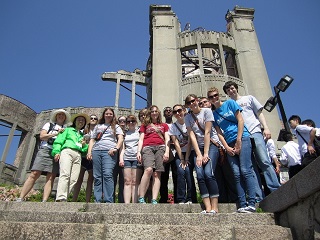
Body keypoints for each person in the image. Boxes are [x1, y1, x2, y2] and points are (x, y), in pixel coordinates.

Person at [223, 81, 280, 198]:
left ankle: (276, 189)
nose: (231, 91)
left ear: (236, 88)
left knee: (264, 161)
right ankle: (258, 195)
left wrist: (266, 128)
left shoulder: (248, 98)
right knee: (250, 167)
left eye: (232, 88)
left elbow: (259, 113)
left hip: (254, 131)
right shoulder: (228, 105)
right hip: (242, 136)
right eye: (228, 90)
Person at [209, 87, 257, 213]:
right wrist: (226, 147)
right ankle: (242, 204)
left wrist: (239, 140)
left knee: (245, 170)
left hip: (242, 137)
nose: (214, 98)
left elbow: (240, 120)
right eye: (211, 97)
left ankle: (252, 202)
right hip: (229, 142)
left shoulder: (230, 103)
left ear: (219, 95)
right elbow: (219, 133)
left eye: (215, 95)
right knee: (236, 174)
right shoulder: (214, 115)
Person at [16, 109, 71, 202]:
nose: (61, 116)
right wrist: (56, 133)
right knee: (34, 173)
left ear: (65, 117)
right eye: (59, 114)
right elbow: (42, 136)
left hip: (57, 152)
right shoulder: (49, 125)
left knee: (51, 176)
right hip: (45, 149)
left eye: (63, 115)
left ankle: (44, 201)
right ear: (56, 116)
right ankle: (20, 197)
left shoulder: (66, 129)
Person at [184, 94, 219, 214]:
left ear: (197, 100)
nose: (192, 104)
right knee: (199, 175)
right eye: (189, 103)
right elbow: (192, 136)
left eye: (193, 101)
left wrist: (205, 153)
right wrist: (199, 154)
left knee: (209, 173)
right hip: (197, 147)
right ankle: (207, 207)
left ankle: (215, 207)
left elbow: (208, 132)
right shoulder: (188, 117)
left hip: (211, 145)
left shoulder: (207, 111)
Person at [202, 96, 238, 204]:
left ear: (209, 103)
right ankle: (222, 199)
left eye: (205, 102)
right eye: (201, 103)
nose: (203, 104)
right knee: (217, 174)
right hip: (212, 147)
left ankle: (235, 198)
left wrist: (226, 145)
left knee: (229, 173)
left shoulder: (217, 114)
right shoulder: (202, 118)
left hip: (223, 145)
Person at [87, 108, 124, 203]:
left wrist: (116, 148)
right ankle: (97, 200)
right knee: (97, 176)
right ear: (103, 115)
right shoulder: (98, 126)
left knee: (108, 175)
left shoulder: (116, 126)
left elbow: (120, 138)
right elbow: (92, 139)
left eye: (110, 114)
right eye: (106, 113)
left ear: (113, 115)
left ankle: (109, 200)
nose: (108, 115)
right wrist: (89, 152)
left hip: (109, 151)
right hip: (96, 151)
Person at [52, 113, 90, 202]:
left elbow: (84, 150)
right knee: (65, 174)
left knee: (74, 178)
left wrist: (84, 145)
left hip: (78, 155)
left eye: (83, 120)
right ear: (75, 121)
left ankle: (64, 197)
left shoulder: (81, 135)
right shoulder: (67, 130)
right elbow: (59, 141)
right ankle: (61, 197)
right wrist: (56, 152)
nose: (81, 121)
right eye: (79, 119)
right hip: (67, 151)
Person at [137, 105, 170, 204]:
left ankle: (154, 199)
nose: (154, 113)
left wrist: (167, 151)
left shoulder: (164, 125)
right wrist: (138, 151)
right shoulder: (145, 125)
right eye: (152, 111)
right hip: (148, 147)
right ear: (150, 114)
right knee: (148, 170)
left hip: (160, 147)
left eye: (156, 111)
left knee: (157, 173)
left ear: (158, 113)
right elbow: (141, 139)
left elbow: (167, 139)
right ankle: (141, 196)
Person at [169, 104, 197, 204]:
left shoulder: (189, 122)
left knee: (188, 172)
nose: (177, 113)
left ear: (184, 110)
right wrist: (182, 159)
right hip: (180, 153)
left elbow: (190, 142)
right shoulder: (173, 126)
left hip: (190, 151)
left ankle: (191, 198)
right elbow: (176, 143)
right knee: (180, 171)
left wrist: (187, 158)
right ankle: (181, 198)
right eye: (175, 112)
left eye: (179, 110)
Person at [72, 114, 98, 202]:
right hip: (83, 155)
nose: (93, 119)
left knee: (90, 180)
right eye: (91, 118)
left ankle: (87, 201)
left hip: (93, 157)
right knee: (79, 178)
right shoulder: (83, 131)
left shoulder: (98, 132)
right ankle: (74, 200)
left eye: (95, 118)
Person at [119, 115, 140, 203]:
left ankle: (134, 203)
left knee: (135, 181)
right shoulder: (125, 133)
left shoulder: (139, 131)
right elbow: (123, 148)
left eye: (133, 121)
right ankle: (127, 204)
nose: (131, 123)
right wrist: (121, 159)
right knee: (127, 181)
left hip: (136, 157)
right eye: (128, 121)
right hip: (127, 157)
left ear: (136, 122)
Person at [159, 106, 177, 203]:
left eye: (170, 111)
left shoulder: (176, 125)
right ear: (164, 114)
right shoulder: (161, 126)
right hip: (165, 152)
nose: (168, 112)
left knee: (176, 176)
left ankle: (178, 198)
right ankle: (163, 198)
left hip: (176, 152)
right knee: (164, 176)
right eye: (166, 111)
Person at [113, 116, 126, 203]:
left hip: (125, 158)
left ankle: (122, 201)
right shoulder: (113, 132)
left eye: (124, 121)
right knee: (112, 180)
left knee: (123, 181)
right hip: (114, 157)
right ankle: (111, 200)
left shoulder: (128, 132)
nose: (122, 122)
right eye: (120, 120)